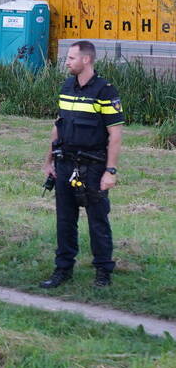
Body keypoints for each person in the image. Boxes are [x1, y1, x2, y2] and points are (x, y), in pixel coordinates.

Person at [40, 40, 124, 289]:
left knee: (98, 221)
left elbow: (116, 134)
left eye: (71, 58)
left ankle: (103, 273)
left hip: (94, 166)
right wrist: (49, 160)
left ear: (86, 60)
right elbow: (59, 125)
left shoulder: (105, 91)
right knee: (65, 221)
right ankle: (63, 270)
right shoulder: (67, 86)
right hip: (65, 162)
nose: (66, 62)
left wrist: (110, 171)